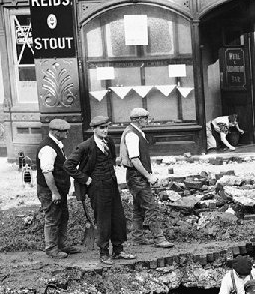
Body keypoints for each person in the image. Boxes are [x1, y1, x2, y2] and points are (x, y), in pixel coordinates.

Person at [64, 116, 135, 265]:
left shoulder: (109, 142)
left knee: (118, 217)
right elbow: (68, 165)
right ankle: (104, 253)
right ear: (94, 129)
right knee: (103, 219)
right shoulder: (85, 146)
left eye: (106, 127)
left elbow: (111, 160)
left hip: (111, 184)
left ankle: (118, 250)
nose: (105, 130)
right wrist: (85, 179)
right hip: (97, 187)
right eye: (101, 128)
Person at [119, 107, 174, 249]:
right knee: (151, 207)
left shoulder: (137, 133)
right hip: (137, 177)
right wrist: (148, 176)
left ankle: (137, 237)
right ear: (138, 120)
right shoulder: (132, 135)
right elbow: (135, 160)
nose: (147, 121)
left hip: (135, 177)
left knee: (138, 208)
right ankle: (159, 238)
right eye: (145, 118)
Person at [36, 118, 81, 258]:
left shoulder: (57, 145)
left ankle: (62, 245)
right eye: (64, 131)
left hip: (59, 190)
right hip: (49, 191)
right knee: (52, 219)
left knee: (63, 216)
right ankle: (51, 249)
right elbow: (47, 172)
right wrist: (54, 192)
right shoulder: (48, 148)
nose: (67, 133)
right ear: (55, 132)